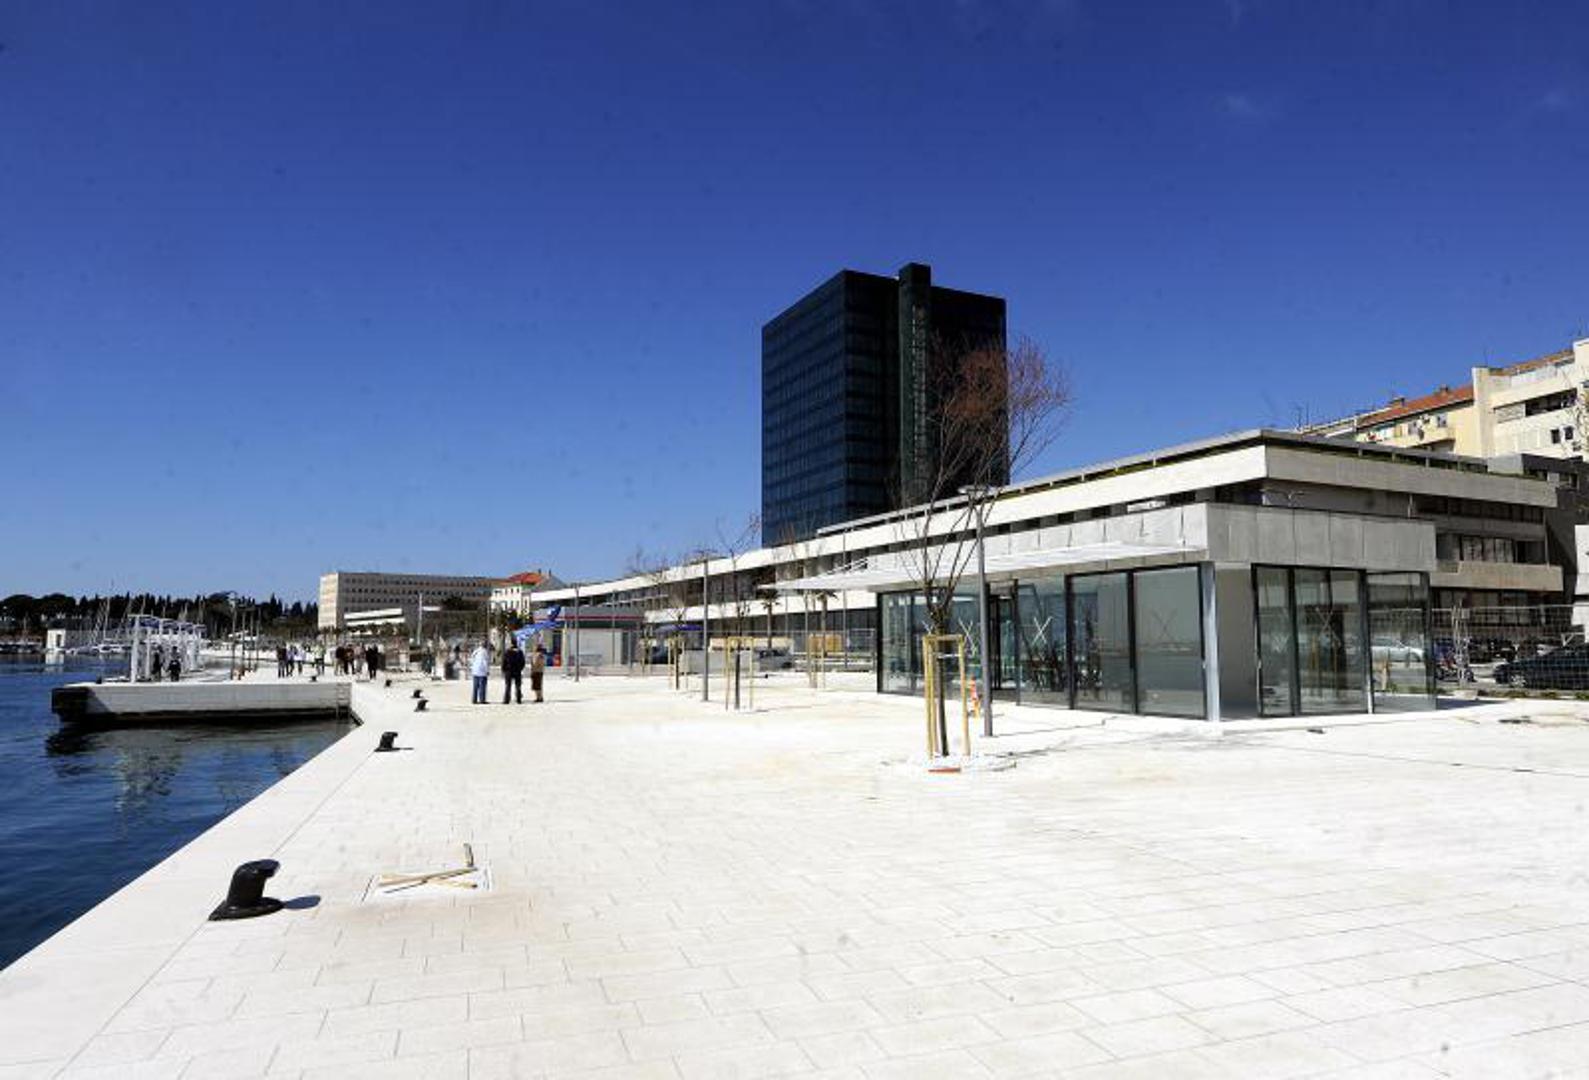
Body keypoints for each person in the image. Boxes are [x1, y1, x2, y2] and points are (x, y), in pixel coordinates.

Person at [501, 638, 525, 704]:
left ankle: (506, 700)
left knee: (508, 686)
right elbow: (523, 662)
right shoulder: (519, 652)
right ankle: (518, 699)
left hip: (508, 671)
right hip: (517, 670)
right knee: (518, 685)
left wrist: (503, 670)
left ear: (511, 644)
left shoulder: (507, 651)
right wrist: (520, 668)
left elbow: (504, 662)